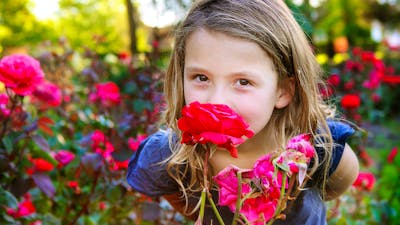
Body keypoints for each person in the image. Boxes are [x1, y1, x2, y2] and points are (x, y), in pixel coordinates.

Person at [127, 0, 359, 224]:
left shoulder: (316, 147)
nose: (217, 101)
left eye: (243, 82)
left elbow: (342, 180)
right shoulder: (173, 154)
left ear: (283, 91)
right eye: (201, 78)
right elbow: (165, 187)